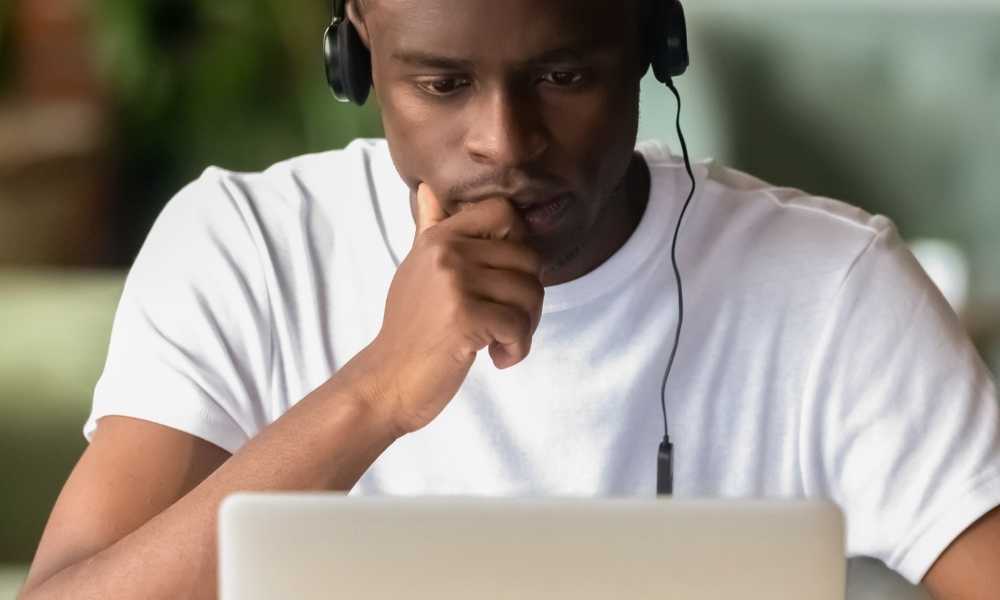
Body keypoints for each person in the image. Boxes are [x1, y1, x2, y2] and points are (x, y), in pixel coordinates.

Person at [19, 1, 1000, 599]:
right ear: (356, 54)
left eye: (563, 75)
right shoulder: (243, 248)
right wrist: (374, 393)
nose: (506, 141)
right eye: (441, 83)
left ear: (652, 37)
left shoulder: (831, 288)